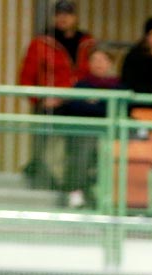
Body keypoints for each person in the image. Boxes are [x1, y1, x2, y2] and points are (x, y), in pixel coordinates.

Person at [17, 0, 96, 187]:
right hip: (50, 107)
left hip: (79, 106)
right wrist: (41, 99)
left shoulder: (88, 43)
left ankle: (73, 188)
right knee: (49, 152)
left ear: (75, 17)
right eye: (59, 14)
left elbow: (95, 74)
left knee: (80, 149)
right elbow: (26, 78)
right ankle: (51, 187)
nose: (63, 18)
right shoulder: (40, 43)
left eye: (67, 14)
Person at [53, 47, 119, 207]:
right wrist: (100, 104)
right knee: (83, 146)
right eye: (94, 60)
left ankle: (111, 195)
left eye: (103, 60)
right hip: (85, 132)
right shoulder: (80, 85)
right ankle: (75, 191)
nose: (98, 64)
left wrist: (95, 103)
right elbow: (77, 107)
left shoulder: (119, 86)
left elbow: (114, 110)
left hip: (112, 133)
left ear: (110, 63)